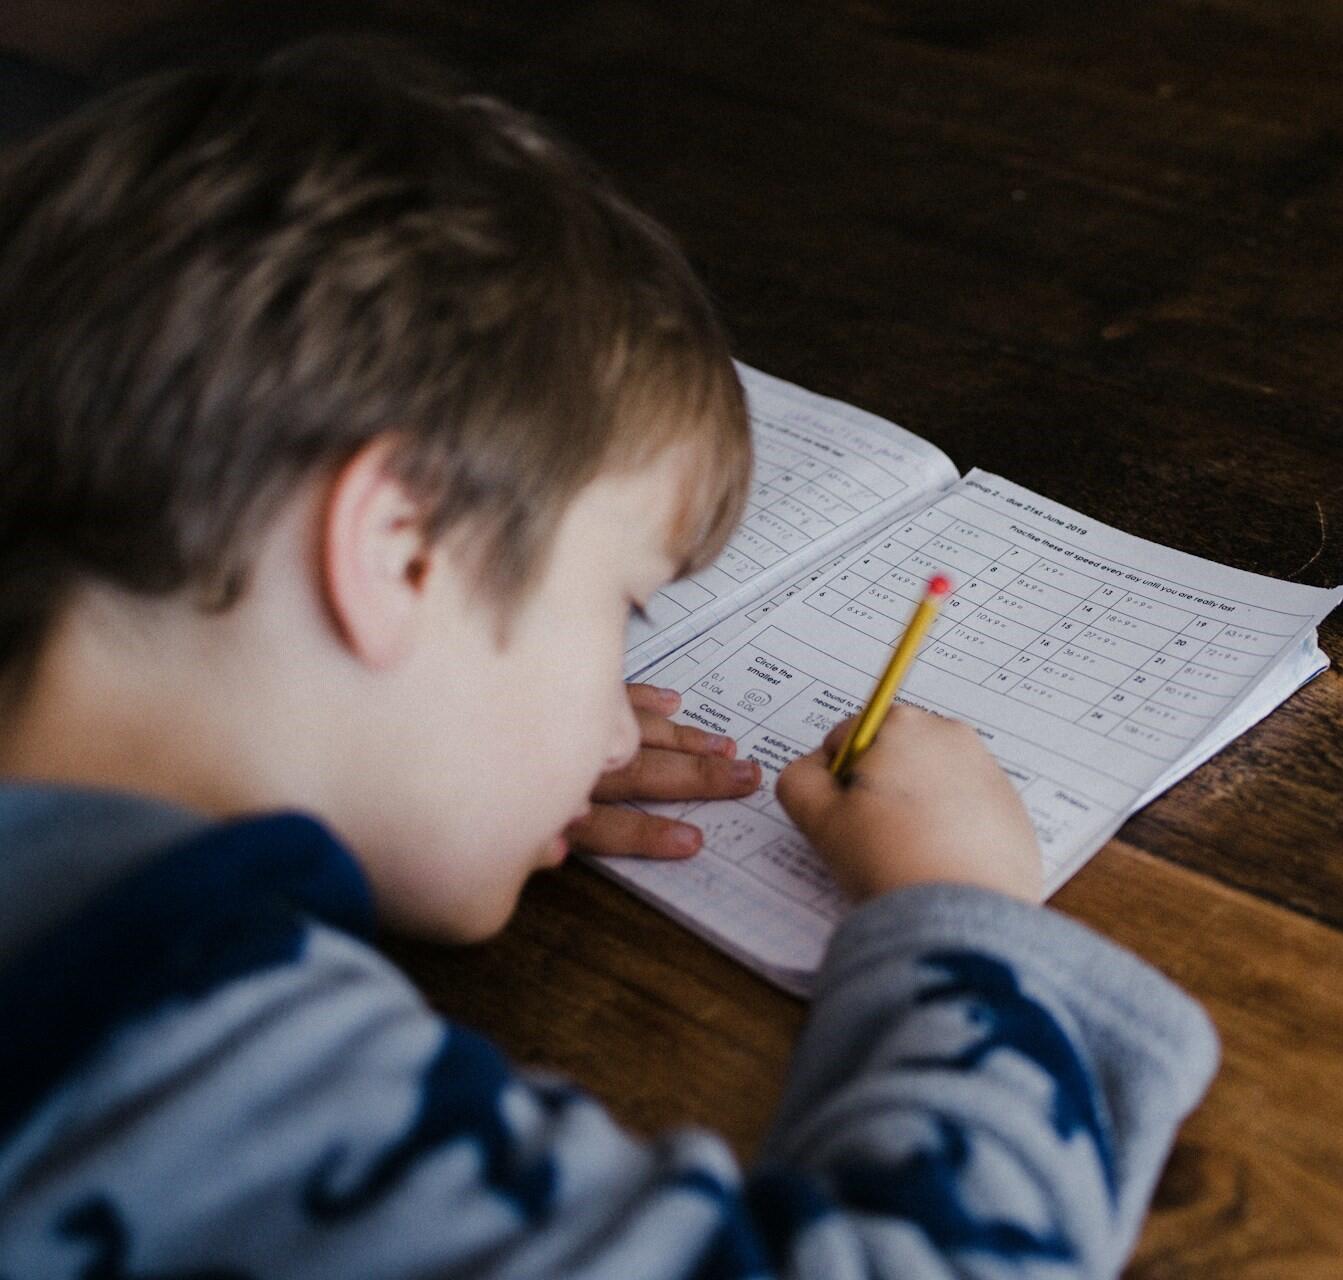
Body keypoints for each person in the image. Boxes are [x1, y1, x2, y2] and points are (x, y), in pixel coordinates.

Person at [0, 43, 1217, 1278]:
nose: (621, 731)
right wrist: (960, 915)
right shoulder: (183, 1053)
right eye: (622, 606)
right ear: (401, 551)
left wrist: (425, 773)